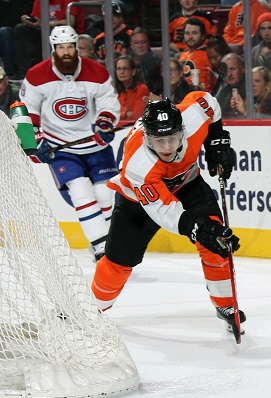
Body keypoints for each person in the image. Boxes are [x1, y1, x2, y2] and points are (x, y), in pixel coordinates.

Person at [90, 94, 245, 342]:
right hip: (137, 203)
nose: (167, 147)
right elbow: (166, 212)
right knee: (119, 262)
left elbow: (209, 102)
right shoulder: (137, 164)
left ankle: (226, 304)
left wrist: (217, 141)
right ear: (146, 137)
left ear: (182, 130)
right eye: (159, 141)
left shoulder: (194, 116)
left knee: (216, 241)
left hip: (188, 184)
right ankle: (90, 310)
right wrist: (197, 228)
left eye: (172, 138)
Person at [21, 25, 119, 262]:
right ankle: (101, 246)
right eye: (61, 47)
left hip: (94, 145)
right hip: (59, 145)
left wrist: (105, 122)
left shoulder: (97, 72)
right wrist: (35, 140)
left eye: (69, 47)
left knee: (106, 195)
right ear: (53, 49)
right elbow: (26, 110)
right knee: (80, 190)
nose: (66, 52)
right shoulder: (36, 75)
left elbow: (109, 102)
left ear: (76, 47)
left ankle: (106, 239)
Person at [14, 0, 84, 78]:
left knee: (52, 32)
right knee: (20, 29)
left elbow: (71, 22)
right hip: (43, 29)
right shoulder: (41, 1)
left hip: (66, 31)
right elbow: (38, 20)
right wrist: (30, 21)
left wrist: (48, 24)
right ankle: (25, 73)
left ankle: (54, 71)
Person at [179, 17, 212, 91]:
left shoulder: (210, 55)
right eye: (187, 33)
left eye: (194, 33)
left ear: (203, 36)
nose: (190, 37)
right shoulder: (182, 55)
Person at [115, 55, 150, 122]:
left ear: (133, 71)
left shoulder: (142, 89)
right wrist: (125, 114)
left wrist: (120, 115)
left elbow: (136, 117)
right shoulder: (116, 91)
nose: (121, 72)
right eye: (119, 69)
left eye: (125, 68)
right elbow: (112, 116)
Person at [130, 27, 162, 95]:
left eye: (143, 42)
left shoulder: (157, 64)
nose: (140, 46)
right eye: (136, 43)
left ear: (148, 44)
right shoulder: (126, 63)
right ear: (131, 46)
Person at [214, 53, 247, 118]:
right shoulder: (222, 89)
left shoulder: (251, 88)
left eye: (232, 69)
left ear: (242, 69)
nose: (229, 74)